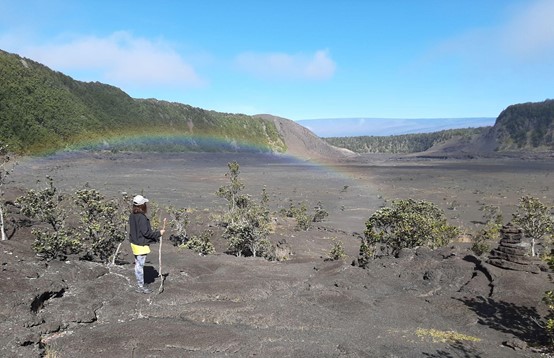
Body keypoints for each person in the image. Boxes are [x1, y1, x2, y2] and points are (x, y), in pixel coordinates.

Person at [129, 194, 165, 294]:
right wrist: (159, 233)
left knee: (137, 264)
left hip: (135, 243)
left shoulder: (132, 215)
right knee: (139, 266)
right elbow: (146, 233)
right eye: (144, 203)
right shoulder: (142, 218)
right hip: (141, 245)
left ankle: (140, 283)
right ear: (142, 205)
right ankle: (140, 286)